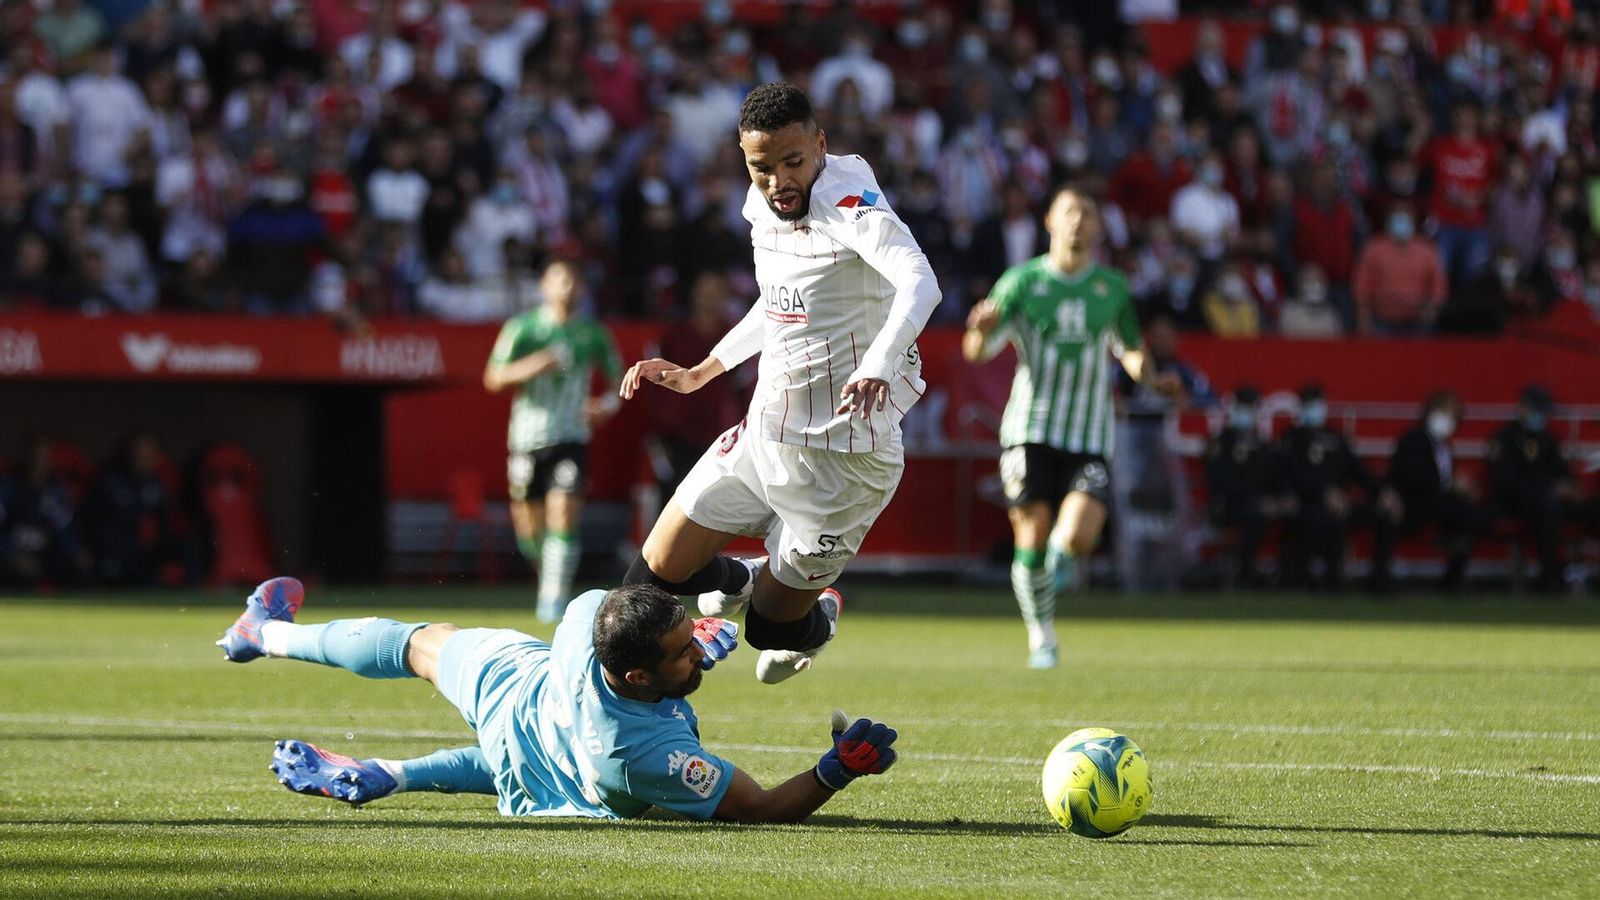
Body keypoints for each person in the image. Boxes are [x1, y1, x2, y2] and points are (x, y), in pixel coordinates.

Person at [617, 83, 941, 685]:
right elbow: (777, 303)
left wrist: (876, 362)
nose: (778, 182)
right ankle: (743, 577)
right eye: (761, 167)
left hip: (846, 463)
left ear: (820, 145)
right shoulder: (762, 204)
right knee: (653, 576)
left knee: (771, 633)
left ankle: (820, 608)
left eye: (793, 162)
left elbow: (922, 284)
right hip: (765, 434)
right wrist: (703, 370)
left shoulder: (850, 202)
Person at [217, 577, 897, 822]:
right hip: (574, 770)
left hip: (523, 690)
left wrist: (696, 642)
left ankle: (267, 632)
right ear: (637, 679)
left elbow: (627, 616)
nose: (698, 652)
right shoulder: (646, 758)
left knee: (417, 643)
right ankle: (394, 774)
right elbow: (761, 808)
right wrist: (834, 771)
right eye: (684, 651)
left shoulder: (586, 618)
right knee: (512, 767)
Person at [963, 185, 1175, 667]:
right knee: (1032, 531)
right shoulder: (1021, 282)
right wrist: (977, 329)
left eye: (1088, 214)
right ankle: (1042, 634)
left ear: (1099, 227)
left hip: (1088, 431)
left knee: (1078, 537)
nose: (1079, 221)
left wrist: (1150, 377)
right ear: (1050, 223)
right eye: (1070, 212)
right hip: (1030, 427)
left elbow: (1131, 349)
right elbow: (978, 352)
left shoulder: (1112, 288)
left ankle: (1057, 565)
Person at [483, 259, 623, 621]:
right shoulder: (524, 329)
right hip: (527, 439)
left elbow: (618, 383)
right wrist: (534, 365)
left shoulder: (592, 333)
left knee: (563, 513)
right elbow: (493, 378)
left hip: (570, 436)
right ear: (544, 286)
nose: (568, 288)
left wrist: (604, 406)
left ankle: (553, 599)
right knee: (529, 528)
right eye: (561, 280)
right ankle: (548, 573)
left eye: (575, 281)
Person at [1276, 384, 1402, 590]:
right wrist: (1324, 492)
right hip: (1309, 503)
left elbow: (1359, 471)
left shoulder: (1336, 438)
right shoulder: (1292, 438)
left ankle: (1380, 579)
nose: (1316, 410)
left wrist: (1383, 492)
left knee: (1385, 513)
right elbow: (1292, 476)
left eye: (1319, 404)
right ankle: (1329, 579)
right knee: (1326, 518)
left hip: (1341, 502)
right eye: (1311, 405)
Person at [1370, 391, 1492, 593]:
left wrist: (1462, 489)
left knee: (1474, 516)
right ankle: (1380, 582)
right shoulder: (1413, 440)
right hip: (1410, 503)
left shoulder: (1445, 447)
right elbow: (1412, 476)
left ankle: (1452, 579)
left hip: (1437, 505)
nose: (1447, 420)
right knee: (1387, 518)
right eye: (1444, 412)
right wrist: (1450, 484)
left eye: (1453, 415)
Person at [1488, 385, 1580, 592]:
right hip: (1517, 505)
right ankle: (1548, 579)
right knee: (1549, 510)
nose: (1541, 415)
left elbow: (1562, 472)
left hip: (1551, 504)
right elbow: (1506, 481)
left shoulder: (1549, 439)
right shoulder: (1504, 439)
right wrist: (1548, 489)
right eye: (1537, 408)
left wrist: (1570, 488)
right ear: (1521, 407)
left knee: (1583, 509)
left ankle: (1573, 572)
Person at [1204, 386, 1284, 587]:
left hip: (1260, 505)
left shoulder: (1263, 445)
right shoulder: (1221, 442)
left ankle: (1291, 576)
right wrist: (1256, 500)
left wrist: (1281, 498)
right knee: (1253, 517)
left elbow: (1275, 477)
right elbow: (1220, 481)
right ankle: (1245, 577)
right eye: (1243, 407)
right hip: (1229, 506)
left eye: (1251, 408)